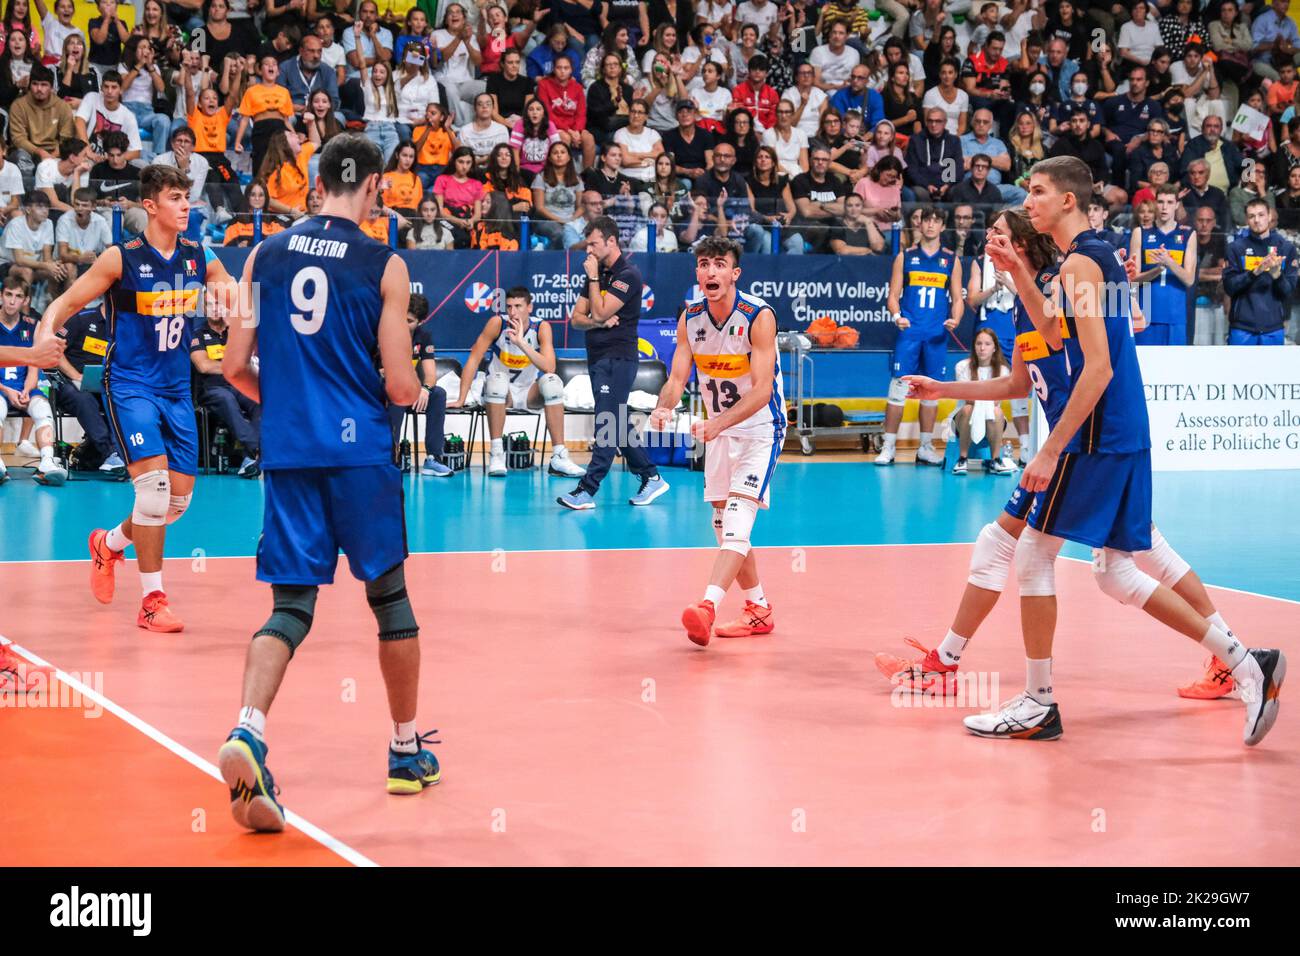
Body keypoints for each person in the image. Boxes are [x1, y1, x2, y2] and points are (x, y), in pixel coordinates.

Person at [945, 157, 1285, 744]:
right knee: (1116, 571)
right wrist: (1020, 276)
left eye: (1038, 191)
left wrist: (1051, 448)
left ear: (1068, 202)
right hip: (1123, 431)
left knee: (1032, 557)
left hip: (1096, 436)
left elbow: (1095, 366)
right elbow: (1056, 334)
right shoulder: (1094, 256)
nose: (1028, 202)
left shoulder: (1083, 262)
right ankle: (1246, 660)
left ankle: (1038, 703)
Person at [878, 205, 1256, 705]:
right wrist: (944, 387)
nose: (989, 243)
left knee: (1037, 553)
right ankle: (1233, 657)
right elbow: (1018, 383)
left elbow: (1080, 331)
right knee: (1136, 552)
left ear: (1026, 244)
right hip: (1080, 442)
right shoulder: (1022, 305)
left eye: (1000, 236)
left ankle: (986, 679)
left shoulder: (1059, 284)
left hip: (1083, 443)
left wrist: (1107, 286)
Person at [216, 132, 438, 833]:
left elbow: (233, 367)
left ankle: (249, 729)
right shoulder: (385, 265)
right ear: (373, 189)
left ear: (316, 183)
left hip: (289, 451)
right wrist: (416, 394)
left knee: (289, 609)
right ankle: (405, 753)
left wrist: (285, 404)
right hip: (359, 458)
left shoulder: (261, 254)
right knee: (391, 602)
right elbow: (400, 386)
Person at [37, 164, 236, 633]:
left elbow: (226, 280)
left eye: (187, 197)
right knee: (152, 490)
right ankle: (152, 601)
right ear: (150, 205)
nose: (186, 205)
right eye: (175, 197)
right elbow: (65, 303)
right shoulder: (120, 258)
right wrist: (45, 334)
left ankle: (107, 544)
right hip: (130, 384)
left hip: (175, 388)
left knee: (176, 504)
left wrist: (233, 297)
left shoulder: (196, 254)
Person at [649, 234, 784, 645]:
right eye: (705, 264)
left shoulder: (758, 316)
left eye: (719, 264)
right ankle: (758, 609)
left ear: (734, 273)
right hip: (721, 432)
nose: (711, 271)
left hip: (760, 429)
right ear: (697, 273)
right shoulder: (691, 317)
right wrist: (664, 406)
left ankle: (706, 606)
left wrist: (719, 423)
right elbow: (676, 377)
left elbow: (762, 390)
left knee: (738, 524)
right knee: (726, 528)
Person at [557, 216, 669, 511]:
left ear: (611, 241)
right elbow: (578, 319)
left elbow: (601, 310)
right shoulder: (598, 275)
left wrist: (597, 298)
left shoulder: (627, 275)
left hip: (618, 358)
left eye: (593, 244)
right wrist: (599, 318)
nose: (589, 251)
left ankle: (586, 489)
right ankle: (651, 476)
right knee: (617, 422)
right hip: (596, 358)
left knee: (606, 422)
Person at [449, 287, 586, 478]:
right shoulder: (497, 324)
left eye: (518, 306)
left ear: (529, 307)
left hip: (528, 391)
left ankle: (559, 456)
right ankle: (497, 453)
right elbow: (473, 358)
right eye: (509, 307)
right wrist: (461, 398)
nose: (513, 312)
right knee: (497, 380)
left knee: (552, 381)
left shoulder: (541, 327)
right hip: (502, 393)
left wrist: (521, 342)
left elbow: (549, 367)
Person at [877, 206, 962, 467]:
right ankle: (888, 446)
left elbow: (958, 298)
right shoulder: (905, 256)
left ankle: (925, 446)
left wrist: (955, 319)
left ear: (942, 227)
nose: (931, 225)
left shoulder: (951, 260)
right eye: (927, 220)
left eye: (936, 221)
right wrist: (896, 316)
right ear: (920, 224)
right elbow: (892, 295)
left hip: (936, 336)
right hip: (910, 334)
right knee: (898, 391)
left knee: (931, 393)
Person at [966, 234, 1030, 462]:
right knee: (986, 386)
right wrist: (993, 288)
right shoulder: (980, 262)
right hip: (989, 327)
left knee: (1020, 388)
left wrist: (1009, 284)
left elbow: (1030, 295)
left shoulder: (1020, 261)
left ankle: (1025, 447)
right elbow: (972, 300)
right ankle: (987, 447)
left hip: (1012, 326)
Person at [0, 274, 68, 485]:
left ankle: (47, 462)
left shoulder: (32, 326)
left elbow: (34, 363)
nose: (12, 300)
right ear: (0, 296)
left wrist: (28, 389)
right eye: (8, 294)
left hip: (24, 387)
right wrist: (7, 390)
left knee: (42, 409)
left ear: (26, 300)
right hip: (1, 388)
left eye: (18, 296)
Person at [189, 303, 260, 478]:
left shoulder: (235, 334)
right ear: (204, 309)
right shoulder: (196, 334)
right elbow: (204, 366)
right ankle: (258, 451)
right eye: (209, 305)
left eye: (218, 305)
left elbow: (250, 360)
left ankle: (249, 460)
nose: (214, 309)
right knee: (226, 399)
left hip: (237, 386)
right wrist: (234, 366)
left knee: (257, 399)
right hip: (211, 389)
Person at [1222, 197, 1299, 345]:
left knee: (1273, 369)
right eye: (1251, 216)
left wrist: (1277, 275)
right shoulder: (1235, 248)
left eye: (1261, 215)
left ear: (1270, 216)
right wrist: (1255, 272)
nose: (1257, 220)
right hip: (1242, 328)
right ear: (1246, 219)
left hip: (1274, 328)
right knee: (1239, 369)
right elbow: (1230, 287)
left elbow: (1288, 292)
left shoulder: (1286, 248)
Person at [392, 292, 453, 478]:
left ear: (420, 322)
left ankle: (433, 458)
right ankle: (390, 457)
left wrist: (425, 390)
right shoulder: (386, 331)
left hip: (409, 388)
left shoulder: (424, 337)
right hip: (388, 389)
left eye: (409, 321)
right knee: (396, 394)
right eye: (401, 318)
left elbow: (431, 374)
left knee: (438, 394)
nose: (403, 324)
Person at [1130, 183, 1197, 346]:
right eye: (1160, 202)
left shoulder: (1188, 234)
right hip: (1146, 315)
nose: (1164, 207)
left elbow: (1189, 279)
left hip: (1175, 316)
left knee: (1175, 369)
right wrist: (1158, 269)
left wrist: (1168, 262)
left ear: (1177, 205)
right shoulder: (1140, 233)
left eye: (1169, 202)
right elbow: (1132, 279)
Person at [947, 328, 1014, 476]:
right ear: (974, 346)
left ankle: (996, 459)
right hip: (964, 419)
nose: (982, 348)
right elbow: (967, 397)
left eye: (987, 344)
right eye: (978, 344)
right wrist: (986, 395)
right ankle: (962, 459)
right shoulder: (962, 366)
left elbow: (997, 400)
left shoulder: (1003, 370)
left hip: (991, 418)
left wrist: (980, 395)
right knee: (968, 409)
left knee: (996, 411)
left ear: (994, 347)